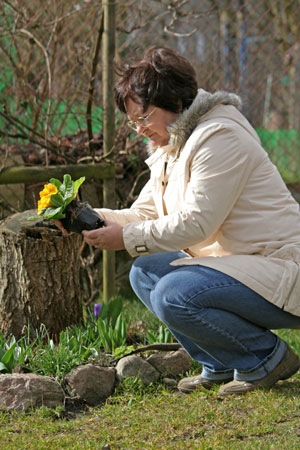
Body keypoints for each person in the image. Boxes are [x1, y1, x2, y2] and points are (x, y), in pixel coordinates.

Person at [81, 46, 300, 396]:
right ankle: (220, 362)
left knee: (174, 292)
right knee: (147, 270)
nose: (138, 129)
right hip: (238, 270)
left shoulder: (220, 137)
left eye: (143, 118)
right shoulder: (173, 145)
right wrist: (88, 219)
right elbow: (146, 214)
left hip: (281, 269)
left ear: (174, 102)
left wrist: (125, 238)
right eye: (132, 121)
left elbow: (196, 223)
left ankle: (265, 359)